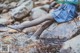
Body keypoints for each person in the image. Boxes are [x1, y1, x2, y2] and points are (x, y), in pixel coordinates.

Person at [8, 0, 78, 40]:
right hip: (63, 10)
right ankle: (34, 36)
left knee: (44, 18)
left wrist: (61, 1)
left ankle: (21, 26)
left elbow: (75, 2)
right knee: (46, 24)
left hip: (67, 12)